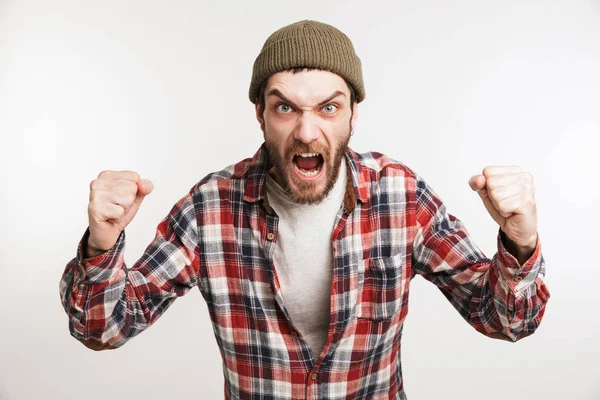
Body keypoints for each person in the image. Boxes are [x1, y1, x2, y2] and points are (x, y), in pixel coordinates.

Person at [59, 19, 550, 400]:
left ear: (355, 113)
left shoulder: (400, 197)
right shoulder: (210, 208)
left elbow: (506, 320)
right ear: (260, 114)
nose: (308, 132)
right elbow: (104, 327)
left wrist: (519, 241)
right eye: (286, 107)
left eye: (329, 108)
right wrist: (102, 241)